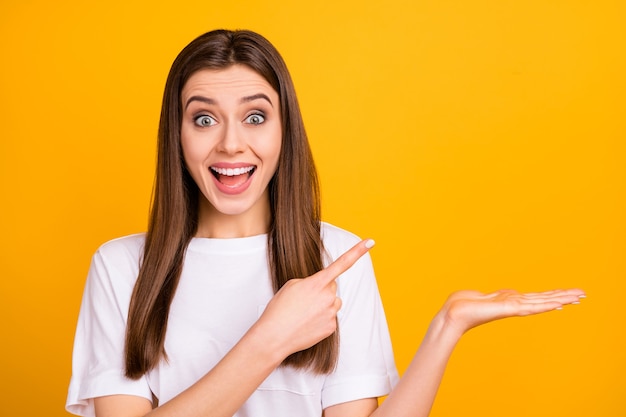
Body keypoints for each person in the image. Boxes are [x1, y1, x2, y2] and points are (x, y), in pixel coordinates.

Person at [66, 29, 585, 417]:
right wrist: (270, 338)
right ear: (176, 135)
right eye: (203, 119)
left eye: (254, 116)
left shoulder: (336, 259)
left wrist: (448, 327)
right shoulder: (122, 267)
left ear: (283, 131)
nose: (229, 143)